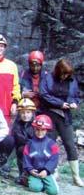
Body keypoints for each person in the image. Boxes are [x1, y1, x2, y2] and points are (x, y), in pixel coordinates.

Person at [39, 59, 83, 187]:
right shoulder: (48, 78)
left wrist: (75, 102)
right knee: (50, 144)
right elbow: (44, 94)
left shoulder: (72, 80)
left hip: (65, 116)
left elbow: (76, 95)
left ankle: (76, 176)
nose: (65, 76)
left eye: (67, 74)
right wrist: (60, 104)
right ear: (58, 71)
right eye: (63, 74)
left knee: (70, 144)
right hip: (50, 115)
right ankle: (54, 171)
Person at [0, 34, 21, 122]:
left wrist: (15, 103)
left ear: (4, 48)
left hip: (6, 108)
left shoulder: (12, 65)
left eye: (1, 46)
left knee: (6, 133)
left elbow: (16, 87)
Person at [23, 114, 60, 195]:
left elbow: (54, 159)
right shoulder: (29, 144)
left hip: (46, 172)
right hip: (34, 172)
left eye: (43, 130)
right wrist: (30, 169)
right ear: (34, 129)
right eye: (37, 129)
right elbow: (26, 158)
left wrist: (47, 171)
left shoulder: (52, 144)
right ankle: (28, 178)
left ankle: (52, 178)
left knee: (53, 192)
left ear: (47, 130)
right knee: (35, 188)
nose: (40, 132)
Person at [12, 98, 37, 185]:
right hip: (23, 148)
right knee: (22, 149)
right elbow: (18, 137)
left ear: (32, 113)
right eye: (23, 112)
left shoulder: (37, 124)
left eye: (28, 112)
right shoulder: (17, 124)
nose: (25, 115)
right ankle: (23, 174)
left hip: (37, 150)